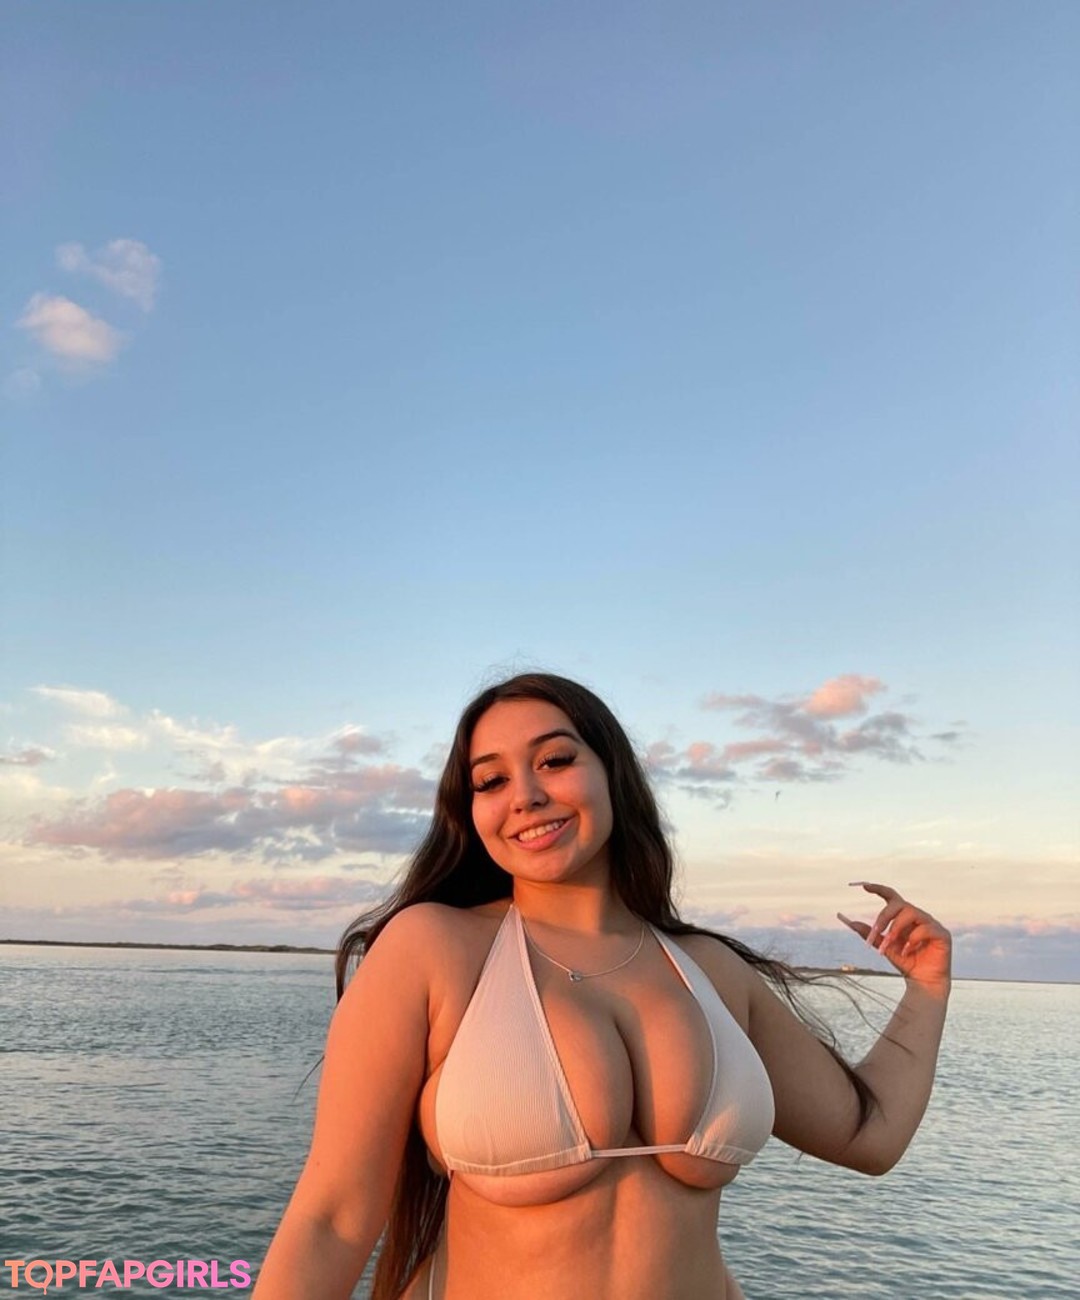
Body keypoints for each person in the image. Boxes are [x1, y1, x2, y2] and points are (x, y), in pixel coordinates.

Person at [252, 673, 951, 1300]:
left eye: (555, 761)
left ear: (612, 773)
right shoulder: (433, 948)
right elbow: (334, 1217)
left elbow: (868, 1136)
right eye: (490, 781)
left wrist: (927, 988)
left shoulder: (709, 970)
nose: (525, 796)